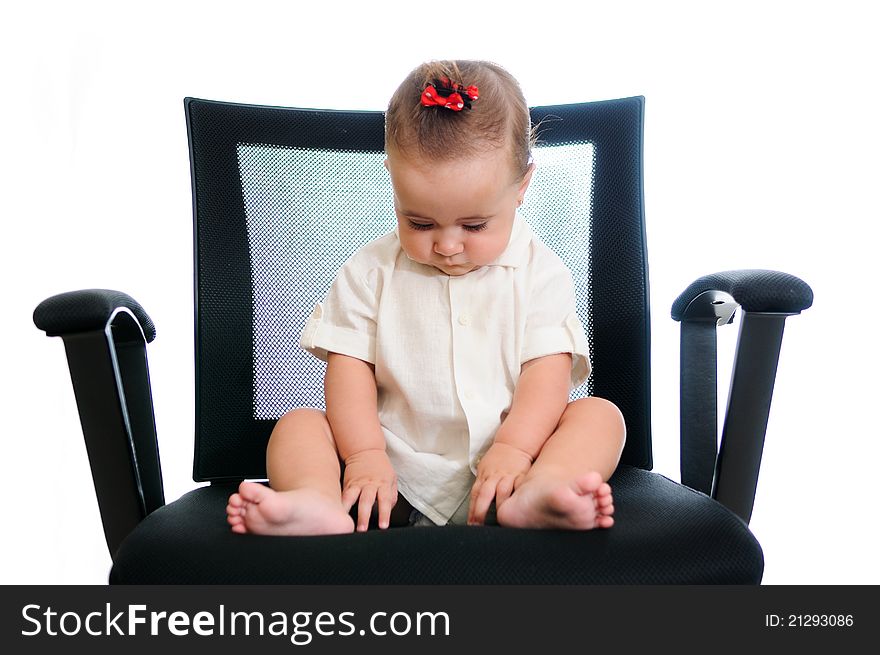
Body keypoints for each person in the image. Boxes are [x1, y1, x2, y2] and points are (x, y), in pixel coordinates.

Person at [226, 60, 626, 536]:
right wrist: (364, 455)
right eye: (419, 223)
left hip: (508, 472)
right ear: (393, 187)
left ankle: (547, 489)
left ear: (522, 187)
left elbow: (547, 372)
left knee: (601, 416)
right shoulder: (370, 270)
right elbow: (349, 370)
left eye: (474, 226)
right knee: (298, 424)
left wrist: (515, 451)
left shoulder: (540, 272)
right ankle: (316, 499)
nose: (448, 245)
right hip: (387, 480)